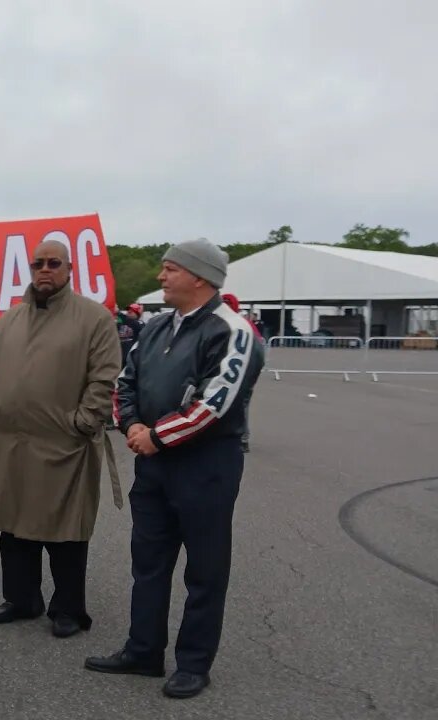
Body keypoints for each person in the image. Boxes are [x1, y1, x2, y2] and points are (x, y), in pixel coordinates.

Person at [86, 239, 262, 700]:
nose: (160, 278)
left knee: (204, 571)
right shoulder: (156, 327)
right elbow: (123, 383)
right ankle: (143, 651)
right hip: (154, 466)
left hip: (206, 467)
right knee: (148, 564)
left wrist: (156, 436)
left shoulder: (233, 330)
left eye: (169, 269)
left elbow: (216, 403)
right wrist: (132, 424)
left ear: (199, 276)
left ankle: (194, 664)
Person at [0, 240, 122, 638]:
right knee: (14, 527)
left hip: (65, 443)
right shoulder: (10, 320)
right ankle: (22, 599)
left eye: (53, 263)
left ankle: (68, 609)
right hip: (11, 442)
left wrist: (83, 421)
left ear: (68, 269)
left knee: (64, 532)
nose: (45, 269)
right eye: (38, 263)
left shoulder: (93, 319)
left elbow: (104, 375)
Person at [222, 293, 264, 453]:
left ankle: (239, 437)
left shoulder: (228, 324)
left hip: (236, 373)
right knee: (241, 404)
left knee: (236, 404)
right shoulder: (247, 325)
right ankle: (241, 437)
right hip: (245, 372)